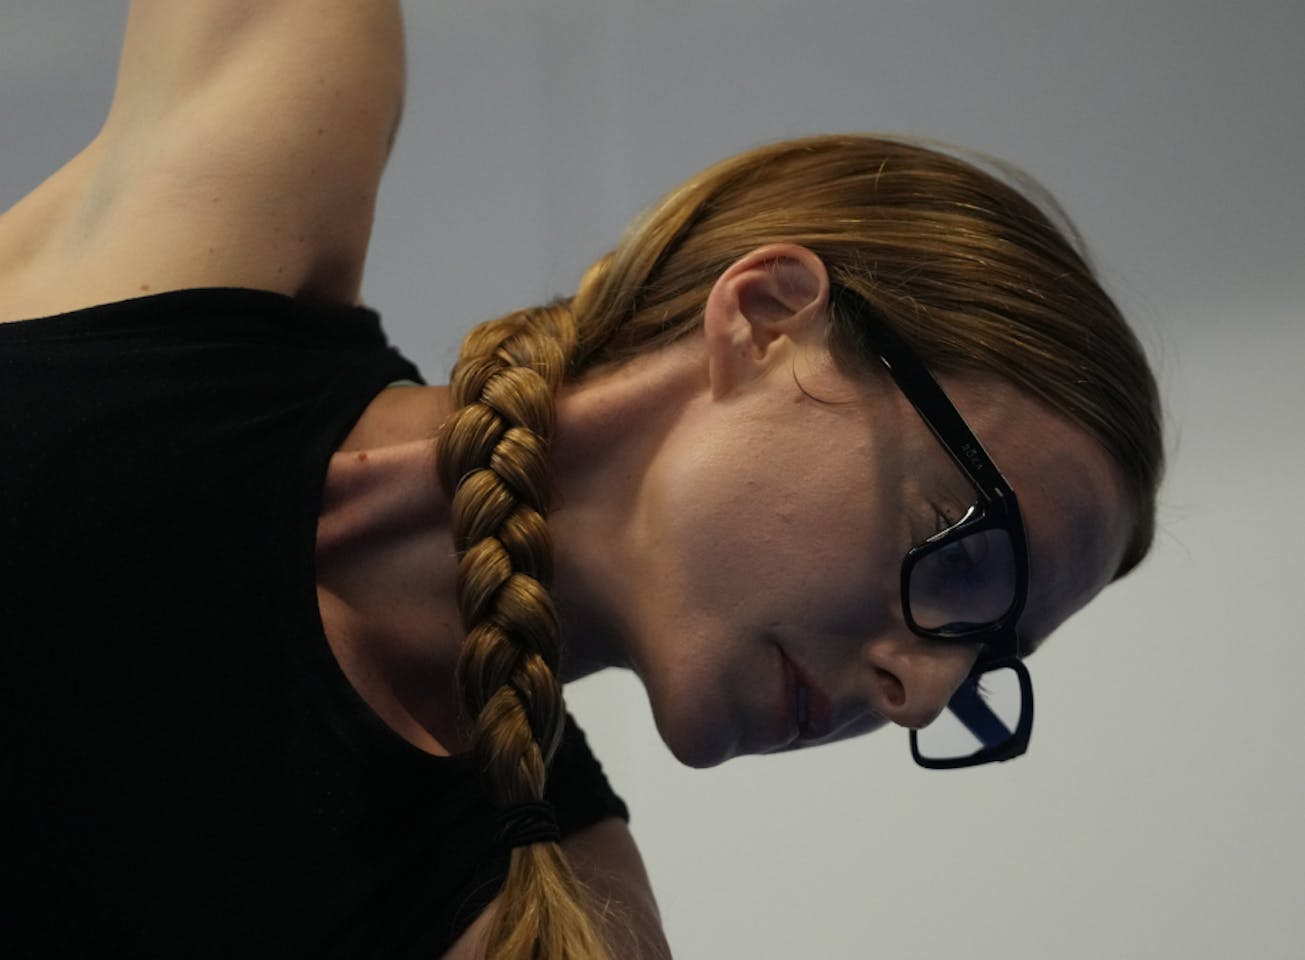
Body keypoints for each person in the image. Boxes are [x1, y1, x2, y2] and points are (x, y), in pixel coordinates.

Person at [0, 2, 1162, 958]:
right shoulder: (233, 196)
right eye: (957, 558)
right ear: (769, 321)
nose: (920, 692)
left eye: (982, 663)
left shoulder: (548, 930)